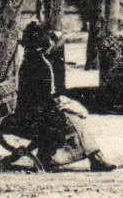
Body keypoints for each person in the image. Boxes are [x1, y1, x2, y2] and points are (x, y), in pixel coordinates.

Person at [13, 21, 117, 171]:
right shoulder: (38, 64)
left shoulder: (32, 61)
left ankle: (55, 155)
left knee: (72, 117)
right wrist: (64, 105)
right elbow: (42, 98)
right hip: (32, 116)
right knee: (73, 120)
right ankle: (94, 157)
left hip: (32, 113)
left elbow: (42, 96)